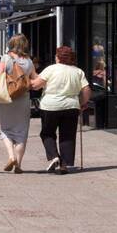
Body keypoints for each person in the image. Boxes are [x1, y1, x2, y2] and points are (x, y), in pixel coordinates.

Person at [31, 46, 90, 175]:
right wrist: (81, 103)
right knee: (68, 135)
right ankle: (64, 166)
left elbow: (36, 86)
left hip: (50, 106)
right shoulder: (78, 71)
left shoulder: (51, 69)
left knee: (47, 133)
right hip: (71, 106)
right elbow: (86, 90)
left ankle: (54, 157)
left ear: (58, 57)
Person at [0, 35, 38, 174]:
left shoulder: (6, 58)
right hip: (23, 99)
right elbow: (35, 80)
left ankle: (11, 156)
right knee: (21, 131)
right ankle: (18, 165)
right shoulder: (29, 61)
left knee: (6, 129)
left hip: (7, 97)